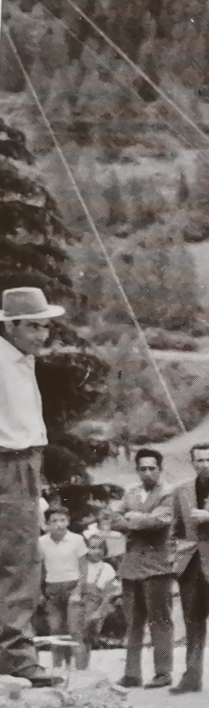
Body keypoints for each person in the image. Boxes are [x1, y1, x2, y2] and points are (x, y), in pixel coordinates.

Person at [0, 286, 66, 686]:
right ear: (11, 326)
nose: (44, 335)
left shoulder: (19, 359)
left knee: (19, 562)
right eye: (35, 327)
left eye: (46, 327)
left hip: (23, 462)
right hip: (10, 463)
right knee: (20, 563)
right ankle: (17, 658)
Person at [169, 442, 209, 696]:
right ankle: (191, 676)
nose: (205, 465)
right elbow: (174, 528)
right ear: (192, 462)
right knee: (192, 622)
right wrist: (177, 554)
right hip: (189, 565)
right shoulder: (182, 489)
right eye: (199, 460)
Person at [113, 448, 177, 690]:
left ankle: (163, 672)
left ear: (160, 469)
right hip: (130, 567)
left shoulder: (169, 493)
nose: (147, 472)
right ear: (137, 470)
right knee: (134, 621)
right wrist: (136, 519)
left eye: (152, 468)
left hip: (156, 567)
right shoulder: (130, 491)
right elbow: (114, 518)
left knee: (159, 620)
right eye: (143, 468)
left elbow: (159, 521)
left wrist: (132, 519)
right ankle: (132, 674)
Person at [38, 505, 87, 671]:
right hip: (52, 589)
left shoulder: (77, 540)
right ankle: (58, 671)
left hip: (72, 587)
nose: (58, 524)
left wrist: (78, 591)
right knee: (55, 631)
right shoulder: (41, 542)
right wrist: (39, 591)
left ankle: (81, 672)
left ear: (68, 522)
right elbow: (39, 569)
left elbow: (83, 568)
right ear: (47, 524)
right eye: (54, 521)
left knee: (74, 631)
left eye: (62, 520)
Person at [77, 535, 121, 659]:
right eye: (92, 548)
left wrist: (99, 611)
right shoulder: (80, 566)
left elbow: (110, 594)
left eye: (100, 548)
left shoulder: (107, 568)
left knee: (91, 617)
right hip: (79, 605)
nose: (96, 551)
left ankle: (89, 644)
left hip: (99, 606)